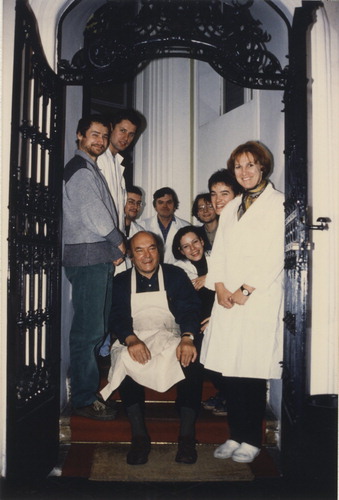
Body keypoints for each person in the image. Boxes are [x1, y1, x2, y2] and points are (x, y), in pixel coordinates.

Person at [200, 141, 284, 463]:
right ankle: (234, 435)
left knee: (250, 372)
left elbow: (276, 252)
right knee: (229, 374)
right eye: (238, 167)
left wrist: (246, 290)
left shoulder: (277, 203)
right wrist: (219, 286)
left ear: (263, 167)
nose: (244, 172)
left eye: (250, 165)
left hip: (256, 299)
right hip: (228, 299)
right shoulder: (234, 205)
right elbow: (218, 250)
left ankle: (251, 439)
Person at [100, 231, 203, 465]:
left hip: (170, 336)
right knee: (126, 360)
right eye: (139, 250)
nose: (147, 255)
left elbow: (190, 308)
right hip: (134, 336)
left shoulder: (176, 275)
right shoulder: (121, 281)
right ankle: (139, 437)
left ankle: (187, 437)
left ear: (159, 250)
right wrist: (130, 339)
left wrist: (187, 338)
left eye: (152, 248)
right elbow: (116, 315)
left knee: (191, 361)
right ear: (131, 255)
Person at [63, 115, 126, 420]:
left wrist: (110, 250)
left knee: (96, 328)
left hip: (96, 257)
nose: (99, 141)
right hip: (87, 259)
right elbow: (95, 217)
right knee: (87, 332)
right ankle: (84, 400)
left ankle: (88, 394)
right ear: (79, 136)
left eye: (103, 136)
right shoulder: (80, 170)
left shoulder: (90, 167)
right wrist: (118, 242)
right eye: (94, 135)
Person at [172, 226, 227, 417]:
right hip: (194, 320)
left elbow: (232, 283)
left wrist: (208, 278)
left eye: (195, 242)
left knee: (205, 345)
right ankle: (188, 405)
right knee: (193, 348)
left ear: (202, 241)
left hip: (221, 317)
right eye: (186, 246)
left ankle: (226, 395)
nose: (193, 248)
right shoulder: (179, 268)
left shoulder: (219, 257)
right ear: (181, 251)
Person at [97, 108, 142, 235]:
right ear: (111, 128)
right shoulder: (99, 159)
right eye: (122, 130)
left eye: (131, 134)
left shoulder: (118, 163)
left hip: (114, 239)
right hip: (101, 238)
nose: (126, 138)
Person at [140, 187, 189, 264]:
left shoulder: (186, 227)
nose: (165, 206)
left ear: (174, 205)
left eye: (169, 202)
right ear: (155, 206)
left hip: (177, 271)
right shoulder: (142, 226)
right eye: (160, 202)